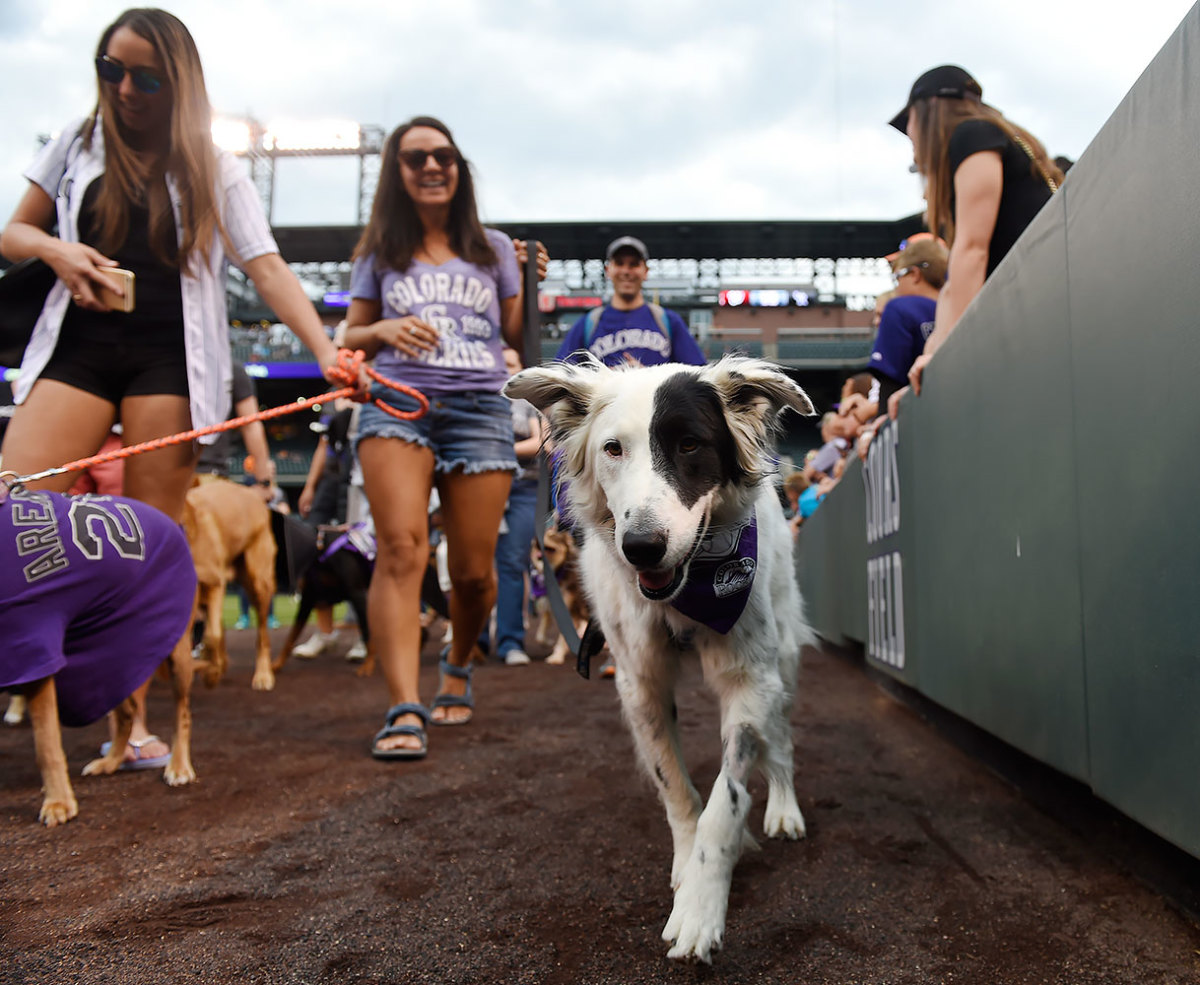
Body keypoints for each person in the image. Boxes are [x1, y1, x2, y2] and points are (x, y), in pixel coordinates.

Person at [0, 8, 347, 767]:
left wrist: (326, 349)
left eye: (145, 77)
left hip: (168, 362)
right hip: (77, 352)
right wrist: (60, 252)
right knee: (18, 512)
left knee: (144, 552)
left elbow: (265, 264)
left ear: (179, 82)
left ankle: (137, 728)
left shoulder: (215, 166)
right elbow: (11, 233)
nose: (124, 88)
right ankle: (29, 680)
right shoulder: (77, 139)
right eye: (110, 69)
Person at [342, 115, 545, 760]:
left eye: (443, 156)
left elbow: (517, 336)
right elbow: (348, 335)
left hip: (480, 409)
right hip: (396, 403)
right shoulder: (379, 253)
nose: (431, 166)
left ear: (458, 169)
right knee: (400, 549)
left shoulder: (491, 249)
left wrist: (532, 281)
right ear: (397, 174)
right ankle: (404, 705)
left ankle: (457, 662)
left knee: (475, 574)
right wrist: (382, 333)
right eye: (415, 158)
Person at [889, 65, 1062, 403]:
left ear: (929, 109)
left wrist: (947, 353)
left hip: (1044, 311)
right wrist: (931, 355)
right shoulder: (987, 134)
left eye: (908, 121)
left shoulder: (972, 133)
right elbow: (957, 275)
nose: (909, 136)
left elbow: (972, 250)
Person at [554, 236, 705, 367]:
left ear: (645, 271)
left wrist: (647, 378)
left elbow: (698, 376)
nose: (626, 271)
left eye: (634, 264)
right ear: (608, 271)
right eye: (619, 263)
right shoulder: (587, 324)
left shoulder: (668, 322)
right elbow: (559, 380)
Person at [489, 346, 546, 667]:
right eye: (502, 362)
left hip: (523, 487)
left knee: (513, 562)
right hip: (485, 487)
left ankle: (510, 641)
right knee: (479, 564)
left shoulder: (526, 401)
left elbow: (543, 443)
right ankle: (476, 640)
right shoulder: (480, 398)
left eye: (512, 363)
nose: (507, 369)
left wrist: (499, 451)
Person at [869, 236, 947, 407]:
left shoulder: (900, 307)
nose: (896, 286)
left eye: (898, 277)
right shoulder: (963, 303)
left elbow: (890, 381)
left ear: (915, 274)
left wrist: (882, 417)